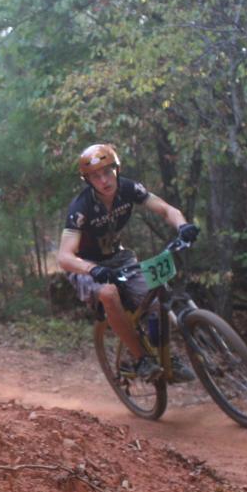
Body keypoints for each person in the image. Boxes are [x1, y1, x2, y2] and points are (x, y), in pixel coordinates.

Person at [56, 143, 199, 383]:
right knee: (109, 294)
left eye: (107, 172)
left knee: (154, 300)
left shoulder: (129, 188)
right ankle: (141, 359)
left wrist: (183, 226)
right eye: (95, 176)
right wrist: (93, 269)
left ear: (117, 169)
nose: (104, 180)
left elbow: (165, 209)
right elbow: (64, 257)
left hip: (118, 257)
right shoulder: (80, 207)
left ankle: (163, 356)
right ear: (88, 180)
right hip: (85, 264)